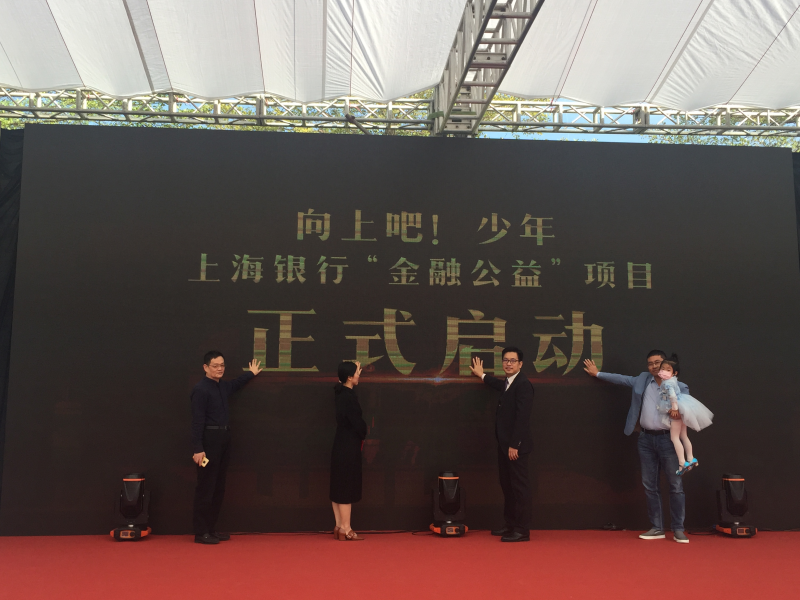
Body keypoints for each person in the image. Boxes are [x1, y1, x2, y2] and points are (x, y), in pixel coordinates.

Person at [583, 350, 691, 543]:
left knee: (675, 485)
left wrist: (679, 412)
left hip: (669, 440)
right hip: (645, 439)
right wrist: (597, 373)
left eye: (658, 362)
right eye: (650, 363)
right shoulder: (643, 380)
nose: (654, 366)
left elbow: (689, 412)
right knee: (650, 485)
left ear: (666, 364)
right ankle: (657, 528)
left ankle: (678, 529)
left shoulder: (679, 386)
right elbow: (621, 379)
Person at [191, 351, 262, 544]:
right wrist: (198, 448)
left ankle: (211, 529)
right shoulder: (200, 389)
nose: (220, 369)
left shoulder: (222, 386)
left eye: (222, 365)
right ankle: (201, 532)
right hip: (209, 441)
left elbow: (236, 384)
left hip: (224, 439)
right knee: (206, 487)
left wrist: (251, 373)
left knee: (218, 486)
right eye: (215, 365)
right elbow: (197, 421)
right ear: (205, 367)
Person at [469, 347, 534, 542]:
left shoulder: (523, 385)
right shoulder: (508, 382)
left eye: (513, 361)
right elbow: (498, 385)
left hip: (515, 448)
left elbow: (523, 418)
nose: (508, 364)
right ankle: (510, 524)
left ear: (520, 364)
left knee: (520, 489)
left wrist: (515, 444)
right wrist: (482, 375)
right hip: (504, 445)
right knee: (507, 486)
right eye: (506, 360)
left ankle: (522, 530)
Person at [657, 356, 713, 476]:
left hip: (676, 409)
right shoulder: (673, 381)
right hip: (683, 406)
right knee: (683, 436)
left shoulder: (668, 383)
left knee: (674, 438)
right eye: (663, 368)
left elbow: (672, 396)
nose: (664, 371)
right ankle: (691, 458)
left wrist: (674, 409)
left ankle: (682, 463)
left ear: (674, 372)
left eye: (668, 369)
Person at [330, 361, 367, 541]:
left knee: (338, 485)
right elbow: (358, 424)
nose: (359, 375)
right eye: (357, 373)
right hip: (349, 446)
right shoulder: (348, 397)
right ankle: (347, 529)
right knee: (346, 487)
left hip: (340, 444)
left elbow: (343, 380)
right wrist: (364, 431)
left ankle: (339, 526)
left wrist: (354, 368)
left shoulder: (340, 392)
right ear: (350, 377)